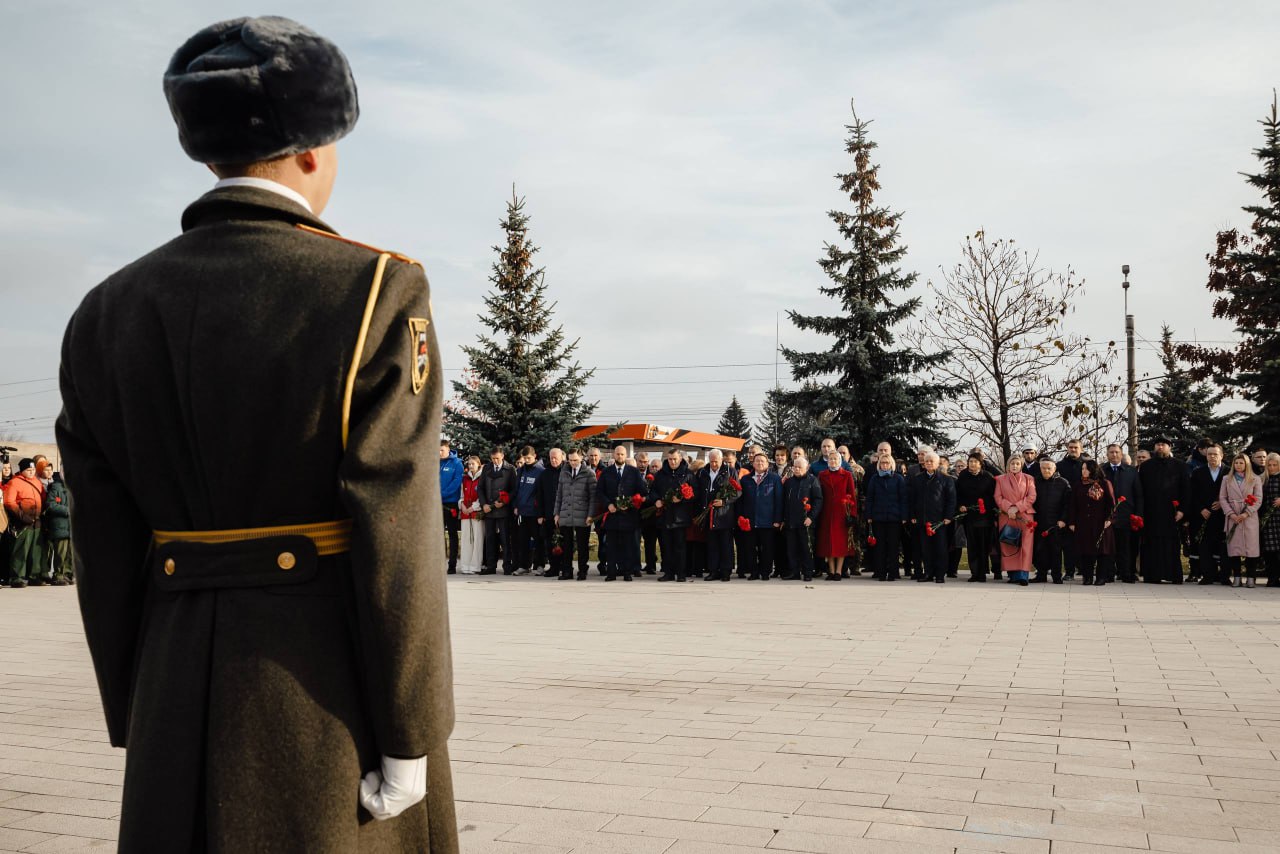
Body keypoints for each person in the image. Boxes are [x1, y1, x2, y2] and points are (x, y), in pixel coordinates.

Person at [55, 17, 456, 850]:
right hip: (324, 687)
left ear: (207, 154)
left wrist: (139, 700)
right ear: (314, 151)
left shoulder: (104, 312)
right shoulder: (374, 290)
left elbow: (104, 536)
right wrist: (411, 728)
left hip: (175, 677)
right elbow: (397, 529)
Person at [1137, 438, 1189, 584]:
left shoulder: (1180, 466)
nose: (1160, 447)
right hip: (1151, 513)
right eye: (1158, 445)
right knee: (1151, 544)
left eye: (1163, 445)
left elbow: (1186, 490)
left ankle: (1172, 575)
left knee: (1171, 544)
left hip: (1172, 513)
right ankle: (1153, 575)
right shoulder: (1146, 466)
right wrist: (1141, 512)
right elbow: (1140, 491)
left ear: (1169, 447)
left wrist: (1182, 510)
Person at [597, 445, 646, 581]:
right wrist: (608, 504)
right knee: (611, 546)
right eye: (618, 454)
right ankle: (611, 572)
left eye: (622, 454)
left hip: (628, 516)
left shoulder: (633, 472)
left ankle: (627, 572)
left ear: (626, 456)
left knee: (628, 546)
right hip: (612, 515)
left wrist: (631, 502)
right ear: (614, 455)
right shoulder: (606, 472)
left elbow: (641, 491)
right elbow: (600, 492)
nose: (620, 457)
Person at [1067, 460, 1117, 585]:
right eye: (1082, 468)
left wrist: (1109, 519)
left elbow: (1111, 504)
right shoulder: (1079, 485)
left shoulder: (1105, 484)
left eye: (1086, 469)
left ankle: (1101, 577)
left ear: (1093, 470)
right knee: (1086, 551)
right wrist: (1072, 522)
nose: (1083, 471)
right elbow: (1073, 505)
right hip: (1083, 523)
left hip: (1101, 522)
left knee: (1102, 551)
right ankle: (1087, 577)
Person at [909, 451, 955, 583]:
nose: (928, 463)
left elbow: (951, 499)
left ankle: (940, 574)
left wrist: (948, 516)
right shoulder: (917, 479)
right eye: (926, 461)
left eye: (931, 461)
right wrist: (912, 515)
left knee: (940, 548)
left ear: (937, 463)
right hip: (923, 519)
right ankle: (928, 573)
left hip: (939, 520)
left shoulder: (946, 479)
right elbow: (912, 498)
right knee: (926, 548)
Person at [648, 449, 694, 581]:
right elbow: (653, 491)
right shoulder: (661, 474)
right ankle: (668, 573)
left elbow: (695, 493)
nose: (672, 462)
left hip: (680, 517)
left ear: (680, 459)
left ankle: (681, 574)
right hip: (665, 516)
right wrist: (656, 500)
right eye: (670, 459)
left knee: (680, 547)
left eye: (675, 459)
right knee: (666, 547)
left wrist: (683, 499)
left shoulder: (688, 474)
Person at [737, 452, 783, 580]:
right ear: (753, 463)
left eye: (763, 461)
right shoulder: (745, 479)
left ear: (767, 464)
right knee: (750, 548)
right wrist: (740, 517)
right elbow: (740, 500)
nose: (760, 463)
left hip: (768, 521)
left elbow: (779, 501)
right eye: (757, 461)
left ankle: (765, 572)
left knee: (767, 549)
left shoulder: (774, 479)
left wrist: (777, 519)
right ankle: (753, 572)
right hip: (749, 521)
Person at [1101, 443, 1143, 584]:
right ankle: (1108, 574)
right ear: (1107, 454)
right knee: (1108, 547)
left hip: (1126, 515)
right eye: (1111, 452)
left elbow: (1138, 495)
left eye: (1117, 452)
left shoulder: (1131, 471)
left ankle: (1127, 573)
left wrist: (1137, 514)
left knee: (1126, 547)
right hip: (1107, 516)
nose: (1114, 455)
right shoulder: (1101, 470)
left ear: (1121, 454)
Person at [1220, 452, 1263, 587]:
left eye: (1241, 463)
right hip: (1233, 516)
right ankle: (1237, 576)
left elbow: (1258, 498)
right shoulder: (1227, 478)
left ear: (1246, 464)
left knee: (1251, 548)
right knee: (1234, 548)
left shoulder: (1255, 479)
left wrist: (1247, 513)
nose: (1239, 465)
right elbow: (1222, 498)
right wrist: (1230, 513)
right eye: (1236, 463)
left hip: (1249, 517)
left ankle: (1251, 577)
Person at [696, 450, 739, 581]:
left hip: (724, 514)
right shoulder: (703, 472)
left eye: (716, 461)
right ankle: (713, 570)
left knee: (725, 544)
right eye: (712, 461)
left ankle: (725, 571)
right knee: (712, 544)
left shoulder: (730, 471)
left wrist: (724, 501)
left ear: (722, 460)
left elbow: (737, 491)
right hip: (708, 514)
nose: (714, 464)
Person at [553, 449, 596, 581]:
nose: (572, 463)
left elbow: (593, 497)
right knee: (567, 544)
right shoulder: (564, 473)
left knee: (582, 545)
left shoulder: (589, 473)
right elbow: (559, 494)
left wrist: (590, 515)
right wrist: (557, 513)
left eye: (575, 460)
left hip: (582, 514)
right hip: (566, 513)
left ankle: (582, 570)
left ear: (581, 458)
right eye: (570, 460)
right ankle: (567, 571)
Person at [1189, 444, 1228, 586]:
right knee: (1205, 547)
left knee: (1223, 547)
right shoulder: (1198, 472)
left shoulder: (1228, 472)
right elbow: (1192, 493)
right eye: (1209, 454)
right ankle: (1207, 576)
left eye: (1215, 454)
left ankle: (1224, 576)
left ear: (1221, 456)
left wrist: (1222, 503)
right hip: (1203, 515)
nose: (1212, 456)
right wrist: (1201, 509)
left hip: (1223, 515)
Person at [865, 455, 908, 581]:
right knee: (880, 547)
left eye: (887, 463)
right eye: (882, 463)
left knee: (893, 547)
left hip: (895, 518)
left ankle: (893, 573)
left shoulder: (898, 478)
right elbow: (870, 499)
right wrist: (869, 515)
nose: (884, 465)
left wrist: (904, 516)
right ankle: (881, 572)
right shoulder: (874, 478)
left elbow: (903, 499)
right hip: (878, 518)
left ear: (891, 464)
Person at [995, 456, 1037, 585]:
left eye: (1017, 464)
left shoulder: (1029, 479)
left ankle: (1023, 575)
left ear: (1021, 465)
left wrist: (1017, 508)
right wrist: (1009, 508)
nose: (1015, 466)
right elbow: (997, 496)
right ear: (1008, 465)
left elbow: (1032, 496)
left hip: (1025, 515)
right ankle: (1013, 575)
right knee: (1009, 543)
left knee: (1026, 545)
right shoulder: (1000, 479)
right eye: (1012, 463)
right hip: (1006, 515)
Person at [815, 450, 857, 580]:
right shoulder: (822, 475)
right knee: (828, 543)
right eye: (831, 459)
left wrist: (852, 514)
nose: (833, 461)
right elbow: (818, 494)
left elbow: (852, 495)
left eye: (835, 459)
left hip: (842, 513)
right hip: (826, 513)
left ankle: (839, 571)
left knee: (840, 543)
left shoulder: (847, 475)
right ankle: (831, 571)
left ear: (840, 461)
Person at [781, 456, 823, 581]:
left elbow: (818, 500)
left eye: (800, 467)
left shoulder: (812, 480)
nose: (797, 469)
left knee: (806, 548)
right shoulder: (789, 482)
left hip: (806, 521)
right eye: (795, 467)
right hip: (791, 521)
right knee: (791, 549)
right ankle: (795, 572)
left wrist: (811, 517)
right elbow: (784, 502)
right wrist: (784, 519)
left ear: (807, 467)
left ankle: (808, 572)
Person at [956, 453, 996, 582]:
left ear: (980, 463)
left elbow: (993, 497)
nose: (972, 464)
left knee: (983, 545)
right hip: (969, 516)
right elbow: (958, 494)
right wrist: (960, 505)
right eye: (970, 461)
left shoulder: (988, 477)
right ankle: (974, 572)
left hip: (985, 516)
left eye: (975, 461)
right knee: (972, 546)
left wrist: (992, 513)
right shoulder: (963, 476)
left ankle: (982, 573)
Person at [4, 459, 44, 587]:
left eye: (33, 470)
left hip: (36, 521)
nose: (32, 472)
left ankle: (34, 576)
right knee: (21, 550)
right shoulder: (14, 482)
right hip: (22, 522)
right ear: (22, 470)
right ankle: (17, 577)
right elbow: (9, 502)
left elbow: (43, 497)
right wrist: (22, 515)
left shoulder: (37, 482)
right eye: (29, 470)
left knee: (35, 551)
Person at [479, 447, 518, 575]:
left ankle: (507, 565)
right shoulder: (486, 468)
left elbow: (514, 489)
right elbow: (480, 488)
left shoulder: (510, 469)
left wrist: (504, 502)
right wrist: (484, 504)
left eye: (497, 458)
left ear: (502, 456)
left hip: (503, 510)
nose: (495, 461)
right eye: (493, 458)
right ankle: (491, 566)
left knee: (505, 538)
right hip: (488, 509)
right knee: (490, 538)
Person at [1032, 458, 1071, 584]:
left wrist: (1063, 519)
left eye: (1049, 468)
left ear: (1054, 469)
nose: (1046, 470)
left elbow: (1068, 504)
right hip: (1039, 522)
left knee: (1056, 550)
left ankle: (1056, 576)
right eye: (1043, 468)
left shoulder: (1063, 483)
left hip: (1056, 523)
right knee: (1040, 550)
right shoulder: (1035, 482)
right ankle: (1041, 575)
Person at [512, 446, 544, 576]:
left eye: (529, 458)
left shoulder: (541, 471)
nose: (527, 460)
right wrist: (516, 505)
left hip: (535, 512)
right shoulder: (521, 470)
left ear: (535, 456)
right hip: (522, 511)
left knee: (538, 540)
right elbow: (517, 490)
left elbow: (541, 494)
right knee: (522, 540)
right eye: (525, 458)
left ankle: (539, 565)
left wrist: (541, 512)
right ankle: (524, 565)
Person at [535, 448, 565, 577]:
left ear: (562, 458)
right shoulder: (545, 474)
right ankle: (553, 567)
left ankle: (564, 567)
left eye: (556, 458)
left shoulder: (566, 472)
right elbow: (539, 495)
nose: (553, 460)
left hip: (564, 514)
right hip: (548, 514)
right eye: (551, 458)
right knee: (549, 542)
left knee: (564, 542)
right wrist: (540, 514)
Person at [44, 472, 73, 586]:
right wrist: (67, 510)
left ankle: (67, 573)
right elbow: (50, 505)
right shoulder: (56, 488)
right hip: (60, 525)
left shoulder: (73, 486)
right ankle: (58, 575)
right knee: (61, 553)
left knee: (70, 553)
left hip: (71, 526)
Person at [439, 440, 464, 574]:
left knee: (452, 534)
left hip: (450, 504)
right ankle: (437, 564)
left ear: (448, 449)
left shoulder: (457, 464)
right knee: (437, 535)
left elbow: (456, 483)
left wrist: (440, 494)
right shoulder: (434, 462)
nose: (439, 453)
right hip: (436, 504)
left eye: (442, 450)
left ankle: (452, 565)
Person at [458, 456, 485, 575]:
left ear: (478, 464)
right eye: (469, 464)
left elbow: (483, 496)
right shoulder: (465, 479)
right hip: (465, 513)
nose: (470, 466)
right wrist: (462, 505)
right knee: (466, 540)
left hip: (476, 513)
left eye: (473, 464)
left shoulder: (482, 478)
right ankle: (465, 565)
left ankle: (475, 566)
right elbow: (461, 495)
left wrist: (473, 507)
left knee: (477, 540)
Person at [639, 458, 662, 575]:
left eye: (656, 467)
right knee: (649, 543)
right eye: (652, 466)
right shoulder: (646, 478)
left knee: (664, 543)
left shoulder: (663, 478)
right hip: (649, 517)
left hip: (661, 516)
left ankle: (665, 565)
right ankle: (650, 565)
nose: (654, 469)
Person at [1260, 453, 1280, 586]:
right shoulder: (1262, 479)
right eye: (1269, 465)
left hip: (1279, 517)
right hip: (1267, 518)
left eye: (1275, 465)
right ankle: (1272, 578)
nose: (1272, 468)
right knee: (1270, 550)